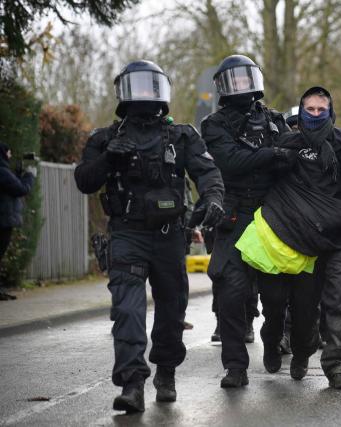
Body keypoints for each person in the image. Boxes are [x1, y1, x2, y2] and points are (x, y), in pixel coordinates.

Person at [74, 60, 225, 413]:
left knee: (172, 311)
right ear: (124, 94)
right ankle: (132, 383)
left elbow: (208, 172)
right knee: (127, 309)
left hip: (170, 235)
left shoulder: (182, 135)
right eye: (137, 86)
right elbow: (84, 180)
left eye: (150, 86)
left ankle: (166, 372)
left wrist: (214, 199)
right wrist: (109, 160)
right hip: (127, 233)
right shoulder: (105, 138)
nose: (144, 93)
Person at [258, 86, 341, 390]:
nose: (315, 114)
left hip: (338, 234)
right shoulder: (287, 144)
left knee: (339, 300)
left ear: (330, 112)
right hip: (297, 236)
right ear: (301, 112)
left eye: (321, 109)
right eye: (310, 109)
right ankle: (286, 344)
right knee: (291, 307)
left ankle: (338, 365)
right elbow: (267, 182)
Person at [200, 54, 290, 388]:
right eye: (233, 80)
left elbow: (289, 161)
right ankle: (235, 366)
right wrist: (270, 155)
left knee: (277, 294)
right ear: (224, 86)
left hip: (271, 217)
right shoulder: (213, 125)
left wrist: (277, 157)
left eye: (245, 78)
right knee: (231, 292)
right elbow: (231, 161)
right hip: (234, 216)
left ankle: (272, 337)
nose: (240, 85)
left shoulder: (275, 119)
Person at [0, 143, 36, 300]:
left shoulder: (4, 172)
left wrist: (18, 174)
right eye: (8, 152)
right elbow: (21, 189)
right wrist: (30, 176)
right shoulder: (2, 171)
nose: (10, 155)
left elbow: (11, 184)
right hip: (3, 221)